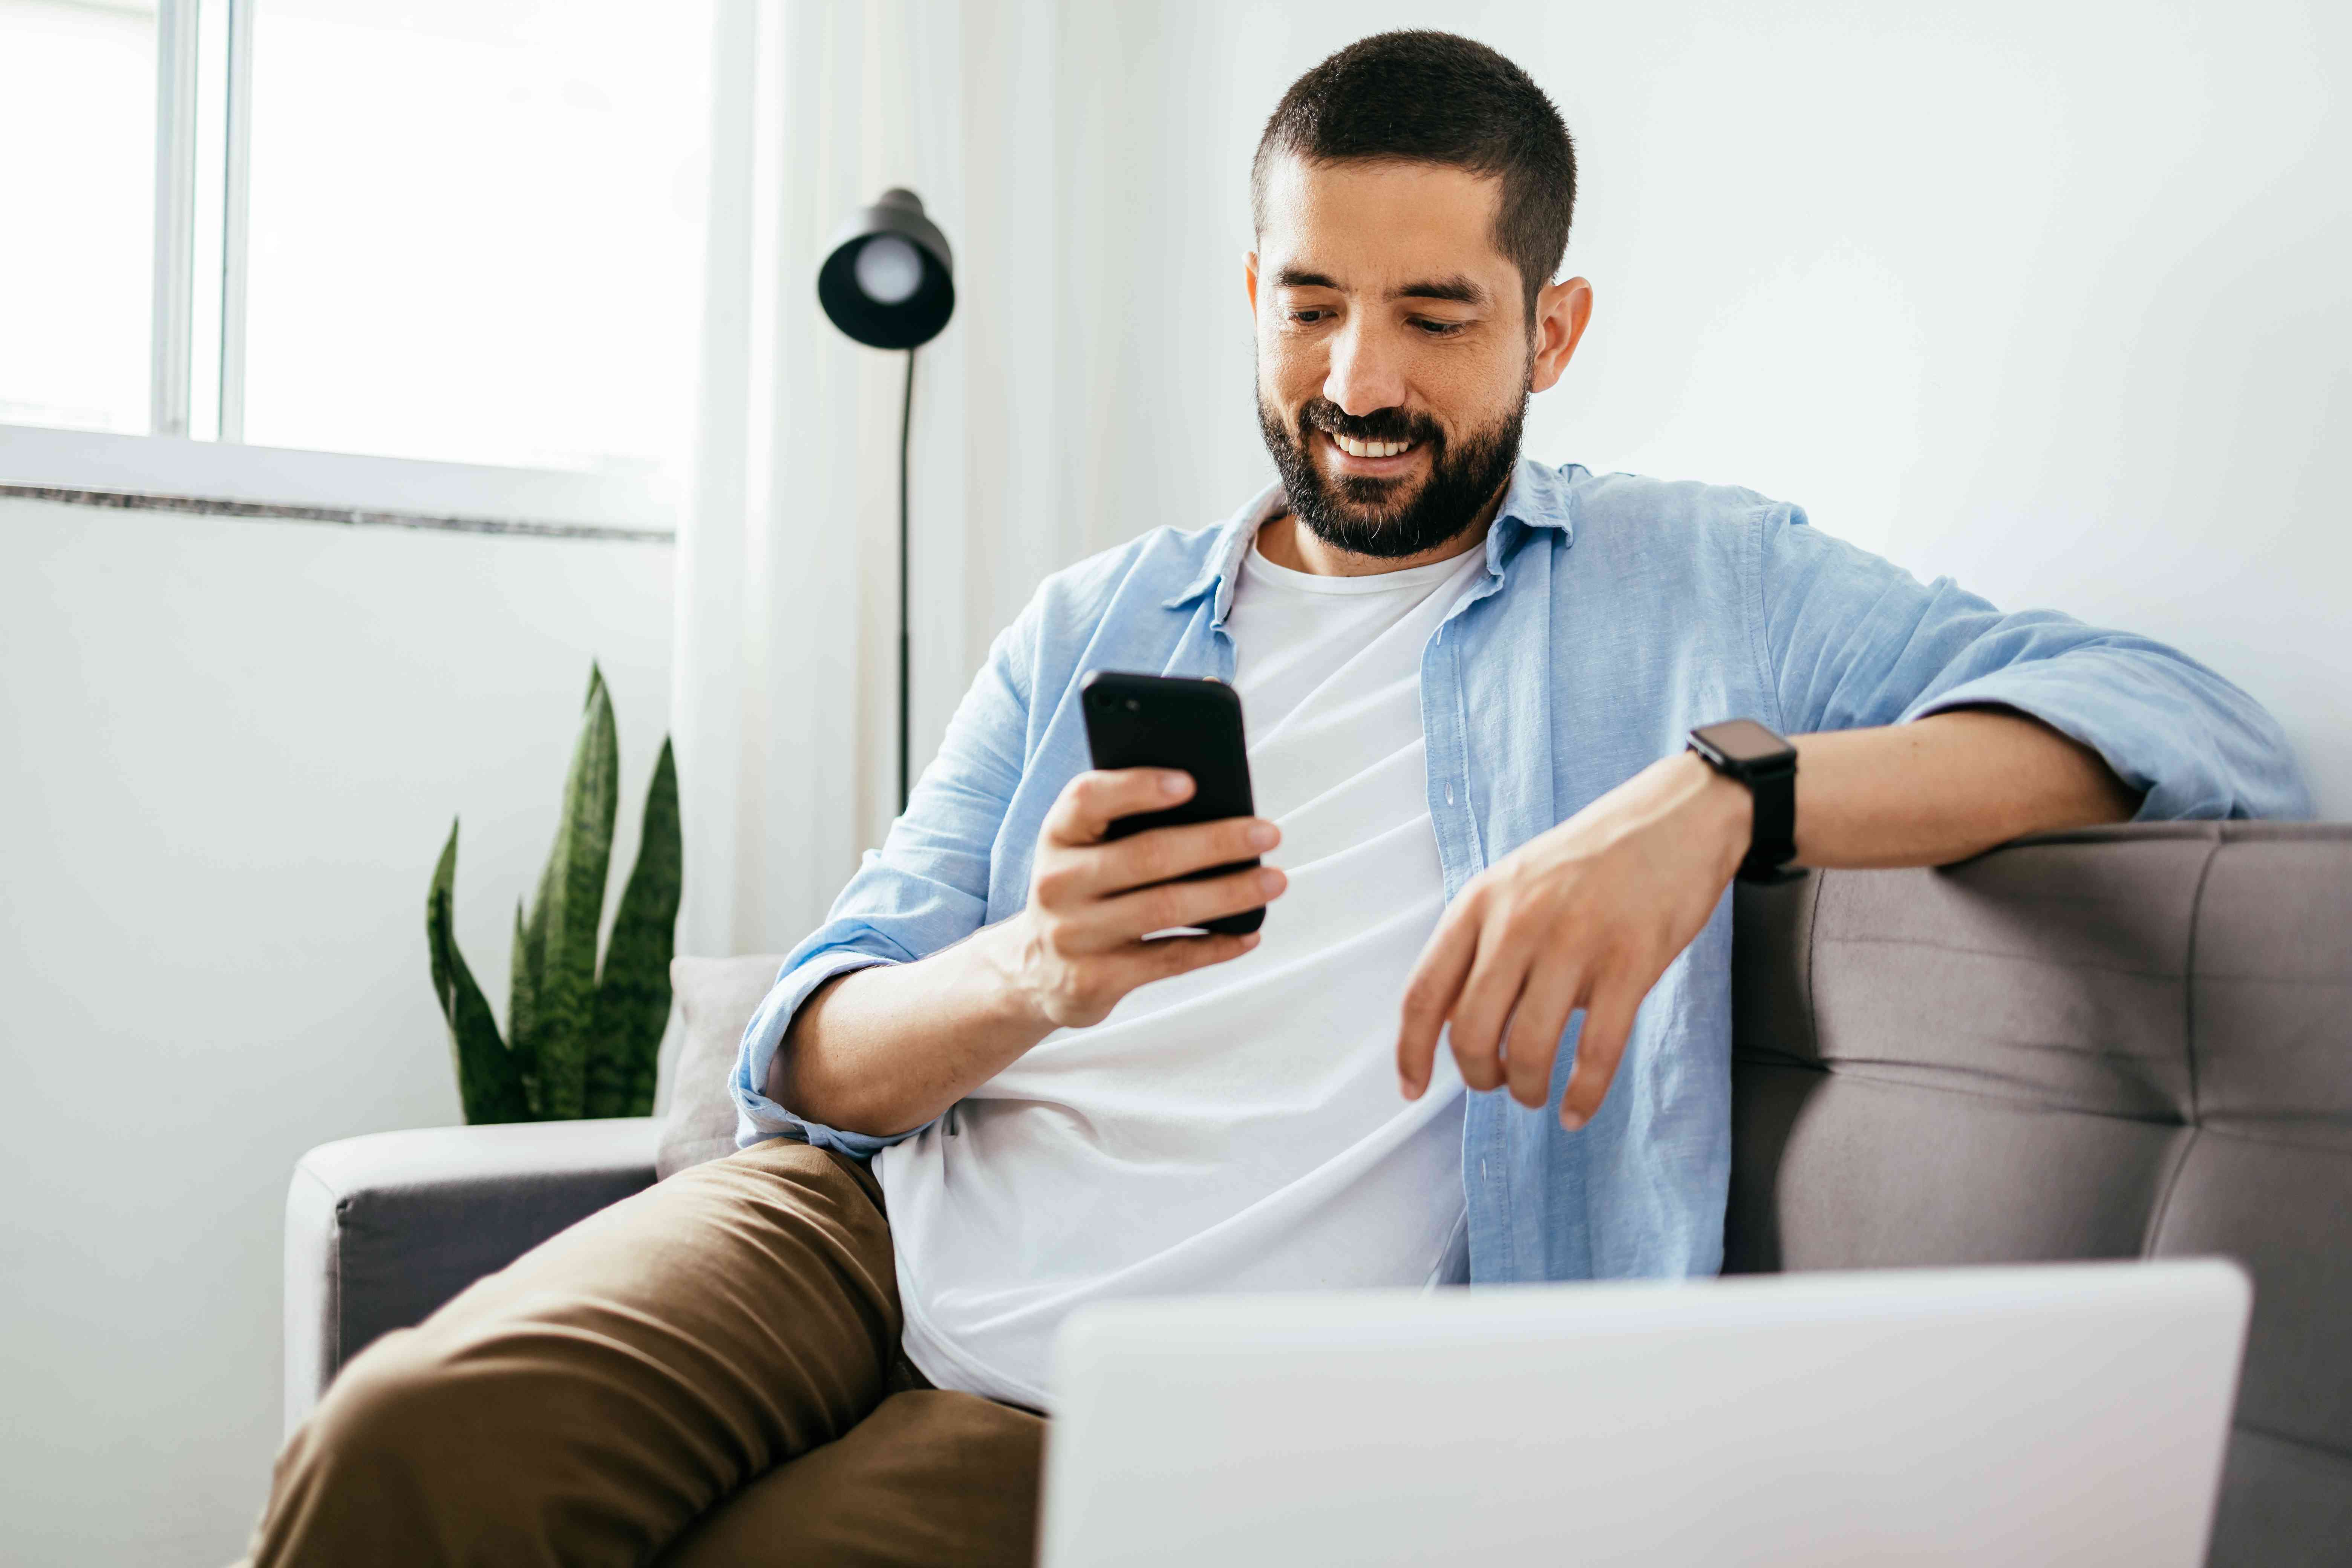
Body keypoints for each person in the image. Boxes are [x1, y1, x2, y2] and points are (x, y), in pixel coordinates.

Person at [242, 29, 2309, 1568]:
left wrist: (1714, 804)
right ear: (1254, 297)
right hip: (860, 1224)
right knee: (408, 1438)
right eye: (1313, 303)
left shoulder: (1703, 585)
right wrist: (1035, 973)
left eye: (1435, 315)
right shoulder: (1098, 615)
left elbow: (2173, 712)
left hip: (1183, 1366)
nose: (1360, 380)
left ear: (1552, 328)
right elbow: (826, 1046)